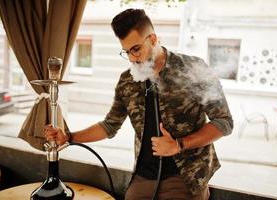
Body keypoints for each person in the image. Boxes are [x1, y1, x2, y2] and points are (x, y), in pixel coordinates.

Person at [45, 8, 233, 200]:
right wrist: (68, 137)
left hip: (187, 178)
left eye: (136, 49)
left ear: (153, 39)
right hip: (144, 178)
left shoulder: (194, 68)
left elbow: (224, 122)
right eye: (126, 52)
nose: (132, 58)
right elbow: (109, 126)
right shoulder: (127, 80)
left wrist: (179, 144)